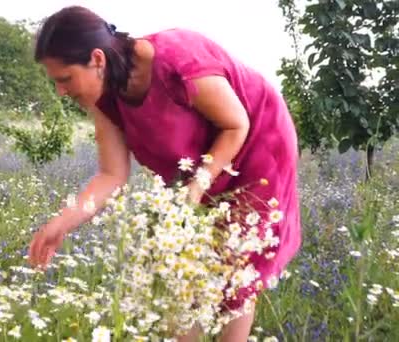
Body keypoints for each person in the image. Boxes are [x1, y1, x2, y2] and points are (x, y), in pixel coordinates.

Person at [28, 5, 301, 342]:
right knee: (179, 265)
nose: (61, 91)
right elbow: (111, 175)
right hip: (200, 168)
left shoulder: (176, 57)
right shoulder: (102, 98)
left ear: (97, 59)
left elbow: (236, 124)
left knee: (234, 269)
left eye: (64, 78)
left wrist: (198, 185)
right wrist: (61, 223)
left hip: (258, 146)